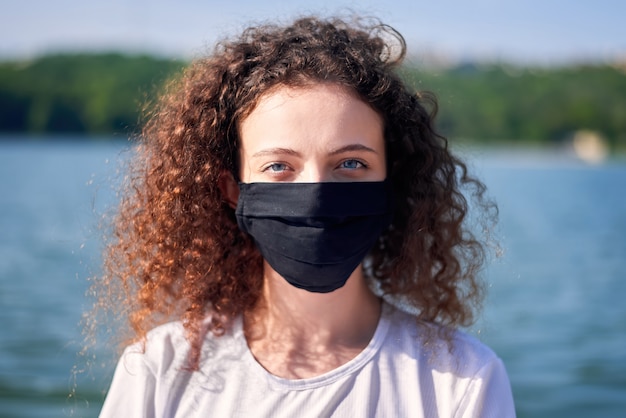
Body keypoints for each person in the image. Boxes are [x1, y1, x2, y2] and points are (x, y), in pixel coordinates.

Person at [97, 15, 515, 417]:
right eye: (279, 165)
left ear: (393, 181)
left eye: (350, 163)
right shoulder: (158, 370)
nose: (316, 196)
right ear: (231, 190)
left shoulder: (462, 381)